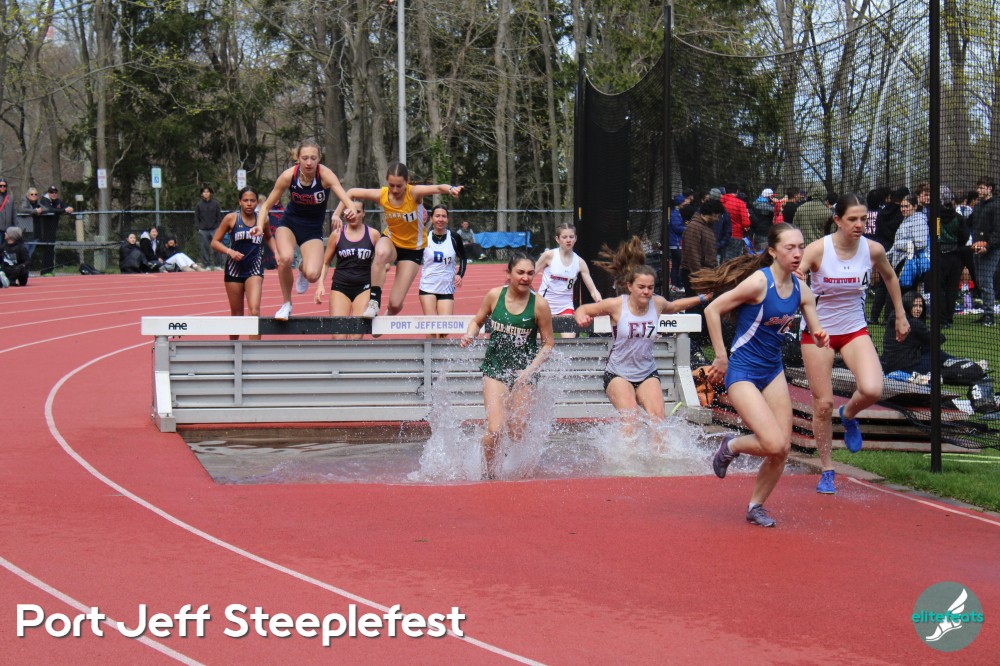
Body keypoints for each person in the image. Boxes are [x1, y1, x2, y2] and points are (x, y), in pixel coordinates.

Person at [695, 223, 828, 528]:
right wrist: (720, 356)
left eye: (801, 247)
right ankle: (731, 445)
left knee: (781, 449)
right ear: (773, 251)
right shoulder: (759, 283)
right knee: (772, 442)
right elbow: (712, 310)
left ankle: (756, 506)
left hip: (772, 371)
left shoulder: (801, 289)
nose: (797, 254)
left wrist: (820, 336)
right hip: (742, 370)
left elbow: (816, 328)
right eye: (789, 248)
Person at [798, 194, 909, 495]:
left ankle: (848, 415)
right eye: (852, 219)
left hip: (853, 329)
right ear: (837, 220)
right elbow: (797, 276)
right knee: (823, 405)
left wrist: (900, 315)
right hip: (818, 333)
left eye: (863, 219)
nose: (859, 225)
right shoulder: (818, 249)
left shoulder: (873, 250)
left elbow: (890, 277)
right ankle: (827, 469)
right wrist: (797, 279)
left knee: (872, 389)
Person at [575, 253, 710, 442]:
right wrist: (581, 317)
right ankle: (623, 458)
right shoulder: (616, 305)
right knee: (631, 422)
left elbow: (674, 306)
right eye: (641, 287)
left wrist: (702, 298)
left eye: (650, 288)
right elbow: (583, 309)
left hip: (647, 372)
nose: (646, 292)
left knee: (659, 424)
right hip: (618, 373)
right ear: (630, 286)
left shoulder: (657, 303)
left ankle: (659, 459)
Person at [460, 252, 555, 479]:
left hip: (524, 372)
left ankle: (514, 465)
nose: (525, 278)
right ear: (509, 273)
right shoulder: (495, 295)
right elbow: (477, 321)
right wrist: (470, 334)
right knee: (495, 429)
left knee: (517, 431)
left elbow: (548, 344)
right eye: (520, 272)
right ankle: (488, 473)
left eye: (530, 273)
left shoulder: (539, 305)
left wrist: (529, 370)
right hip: (496, 369)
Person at [341, 162, 462, 319]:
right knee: (381, 252)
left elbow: (438, 188)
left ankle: (386, 318)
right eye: (391, 185)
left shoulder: (414, 193)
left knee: (395, 304)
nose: (395, 190)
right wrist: (337, 214)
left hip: (412, 249)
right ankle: (374, 302)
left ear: (407, 181)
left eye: (399, 186)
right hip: (392, 241)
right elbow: (351, 192)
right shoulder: (383, 195)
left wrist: (451, 189)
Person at [254, 139, 357, 321]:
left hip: (312, 229)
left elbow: (346, 198)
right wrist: (259, 226)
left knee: (313, 275)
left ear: (319, 159)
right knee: (285, 258)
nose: (309, 162)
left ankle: (302, 268)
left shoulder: (325, 175)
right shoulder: (289, 176)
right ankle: (287, 304)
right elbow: (266, 206)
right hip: (289, 224)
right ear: (298, 158)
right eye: (305, 158)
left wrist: (351, 210)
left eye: (313, 158)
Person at [212, 187, 278, 340]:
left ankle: (255, 350)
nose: (249, 204)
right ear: (240, 202)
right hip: (234, 270)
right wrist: (229, 251)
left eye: (252, 201)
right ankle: (233, 348)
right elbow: (214, 242)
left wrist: (277, 252)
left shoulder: (262, 219)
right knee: (237, 314)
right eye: (246, 200)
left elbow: (268, 237)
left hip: (254, 270)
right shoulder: (231, 219)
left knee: (254, 311)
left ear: (257, 202)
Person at [314, 202, 381, 340]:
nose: (353, 215)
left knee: (357, 335)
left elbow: (382, 261)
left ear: (363, 213)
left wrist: (381, 268)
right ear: (344, 214)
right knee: (338, 335)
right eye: (350, 212)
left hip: (364, 287)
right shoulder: (337, 234)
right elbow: (325, 262)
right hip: (340, 286)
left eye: (357, 212)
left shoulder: (373, 234)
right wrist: (320, 285)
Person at [534, 222, 602, 337]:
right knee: (541, 341)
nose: (568, 240)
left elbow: (593, 290)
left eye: (571, 237)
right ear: (557, 239)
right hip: (544, 304)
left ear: (575, 238)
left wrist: (600, 302)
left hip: (565, 307)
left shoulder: (580, 262)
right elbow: (530, 274)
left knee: (569, 340)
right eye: (564, 237)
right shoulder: (549, 256)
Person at [418, 205, 467, 333]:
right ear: (431, 218)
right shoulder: (424, 237)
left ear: (447, 219)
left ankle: (440, 346)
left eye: (444, 216)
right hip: (428, 287)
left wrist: (459, 274)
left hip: (446, 287)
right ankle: (430, 347)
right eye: (437, 216)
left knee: (444, 330)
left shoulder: (454, 237)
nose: (440, 219)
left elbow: (463, 257)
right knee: (431, 328)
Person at [882, 292, 953, 376]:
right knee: (936, 354)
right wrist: (943, 337)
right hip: (907, 367)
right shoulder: (914, 323)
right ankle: (955, 362)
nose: (918, 309)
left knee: (928, 350)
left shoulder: (894, 317)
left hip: (888, 366)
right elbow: (935, 340)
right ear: (907, 305)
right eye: (915, 306)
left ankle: (953, 362)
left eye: (920, 306)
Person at [971, 176, 1000, 327]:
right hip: (977, 247)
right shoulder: (978, 206)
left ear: (990, 189)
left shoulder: (996, 205)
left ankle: (989, 316)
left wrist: (987, 246)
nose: (979, 190)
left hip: (990, 249)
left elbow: (997, 231)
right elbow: (971, 224)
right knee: (981, 281)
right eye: (978, 187)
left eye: (982, 187)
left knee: (986, 281)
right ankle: (986, 313)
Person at [33, 186, 74, 276]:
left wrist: (69, 209)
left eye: (55, 192)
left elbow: (64, 207)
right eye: (52, 192)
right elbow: (50, 209)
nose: (54, 194)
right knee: (47, 249)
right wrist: (63, 210)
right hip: (44, 229)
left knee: (51, 249)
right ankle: (45, 271)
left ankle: (50, 270)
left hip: (52, 229)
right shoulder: (44, 200)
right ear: (48, 193)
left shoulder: (57, 201)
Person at [195, 186, 223, 269]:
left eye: (207, 192)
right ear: (202, 194)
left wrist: (218, 227)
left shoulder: (216, 204)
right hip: (203, 230)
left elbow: (219, 216)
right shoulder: (199, 205)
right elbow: (196, 217)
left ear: (210, 193)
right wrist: (198, 228)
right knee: (204, 248)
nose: (206, 193)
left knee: (217, 246)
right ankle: (206, 265)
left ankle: (218, 265)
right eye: (204, 192)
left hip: (215, 229)